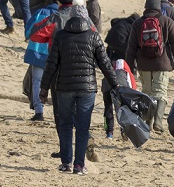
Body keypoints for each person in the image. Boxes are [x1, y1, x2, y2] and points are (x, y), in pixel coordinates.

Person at [39, 16, 121, 174]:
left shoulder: (61, 36)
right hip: (87, 89)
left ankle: (66, 163)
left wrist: (44, 88)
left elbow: (51, 64)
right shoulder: (93, 36)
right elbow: (104, 62)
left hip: (64, 88)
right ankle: (79, 165)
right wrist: (115, 85)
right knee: (83, 127)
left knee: (65, 125)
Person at [124, 0, 174, 133]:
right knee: (160, 92)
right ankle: (158, 121)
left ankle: (148, 123)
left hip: (143, 64)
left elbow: (131, 48)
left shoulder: (138, 23)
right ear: (159, 7)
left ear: (145, 7)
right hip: (162, 64)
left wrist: (129, 67)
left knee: (147, 93)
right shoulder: (167, 21)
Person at [25, 0, 79, 122]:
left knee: (38, 82)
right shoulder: (73, 17)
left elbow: (29, 32)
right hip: (61, 56)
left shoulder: (41, 12)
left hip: (37, 52)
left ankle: (39, 112)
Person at [102, 14, 137, 139]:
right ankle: (124, 129)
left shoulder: (118, 26)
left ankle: (109, 132)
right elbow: (131, 80)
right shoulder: (124, 64)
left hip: (106, 79)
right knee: (121, 107)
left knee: (107, 107)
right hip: (120, 80)